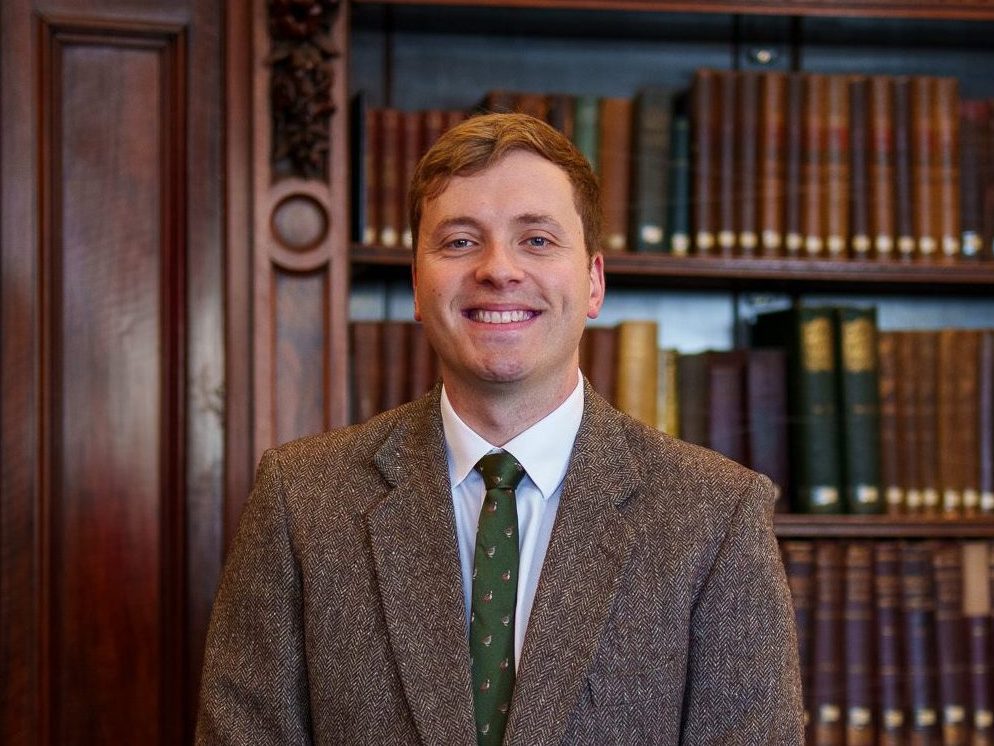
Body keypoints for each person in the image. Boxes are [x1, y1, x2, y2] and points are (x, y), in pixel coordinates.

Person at [196, 112, 803, 745]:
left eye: (536, 240)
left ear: (593, 282)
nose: (499, 270)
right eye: (460, 241)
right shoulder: (301, 500)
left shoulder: (716, 514)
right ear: (417, 286)